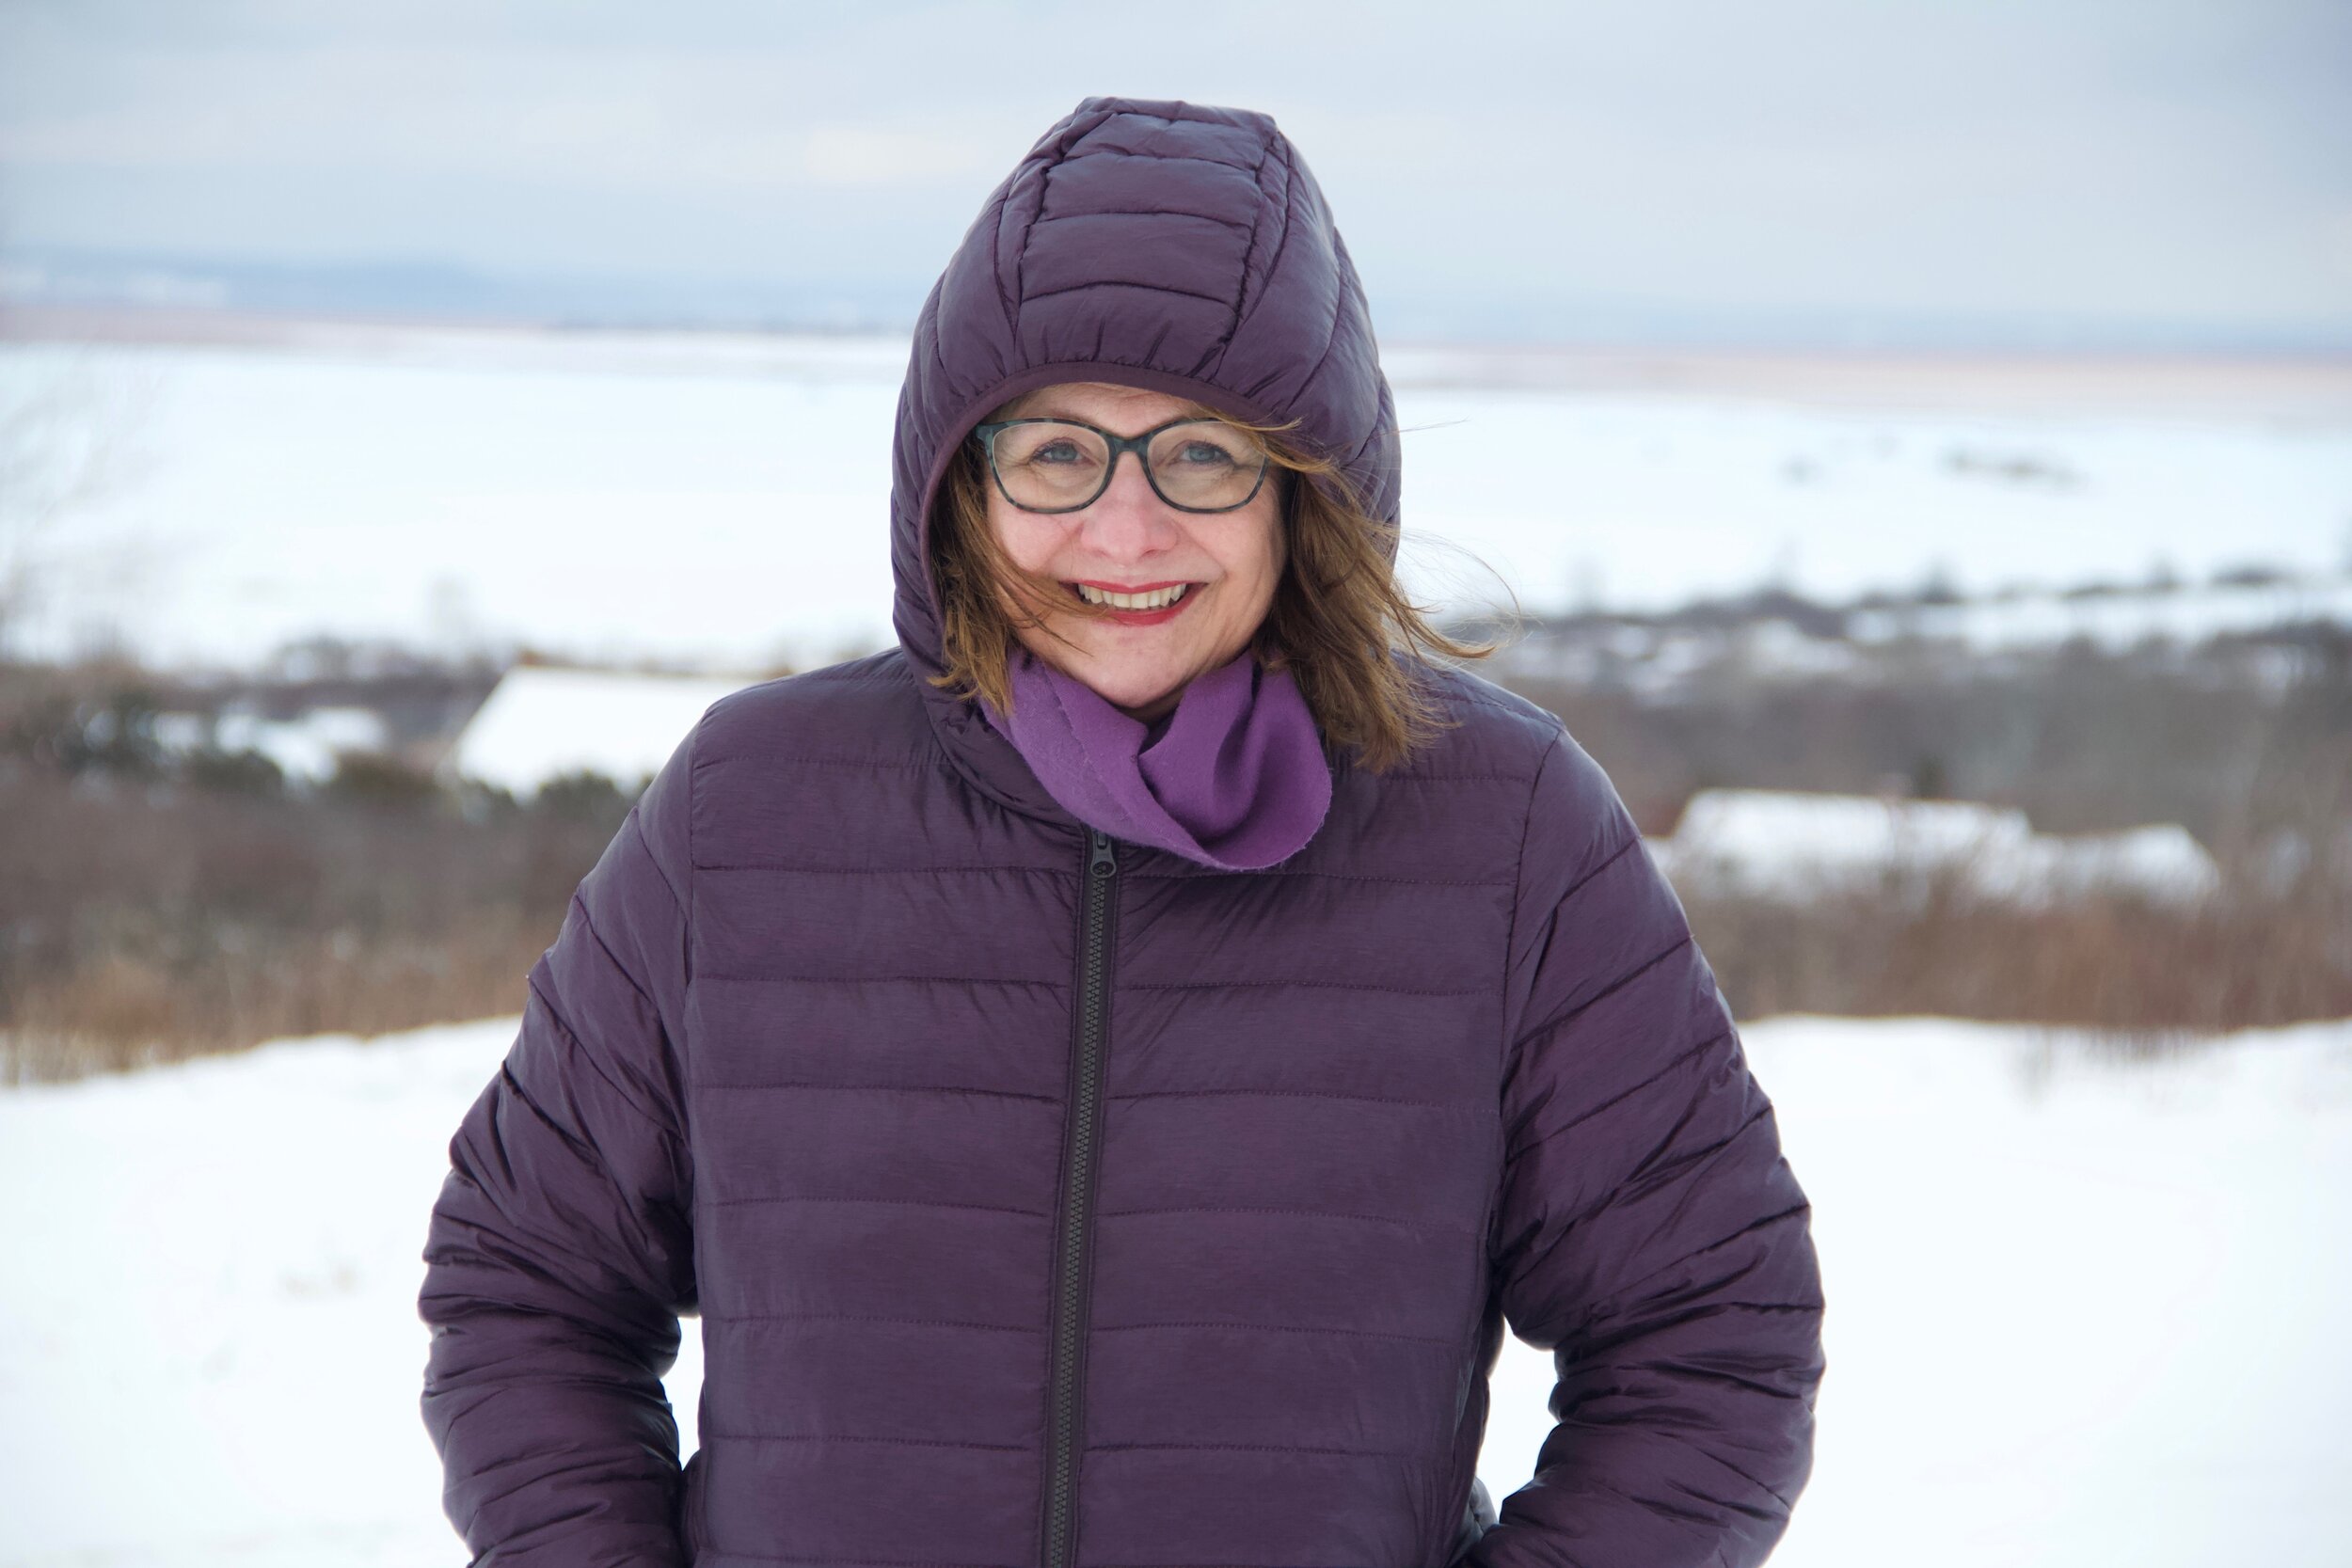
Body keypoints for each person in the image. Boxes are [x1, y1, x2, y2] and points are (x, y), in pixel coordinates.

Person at [419, 96, 1824, 1568]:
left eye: (1204, 454)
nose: (1127, 532)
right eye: (1057, 454)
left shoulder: (1505, 827)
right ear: (960, 486)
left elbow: (1710, 1337)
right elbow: (529, 1283)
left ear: (1308, 490)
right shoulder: (749, 806)